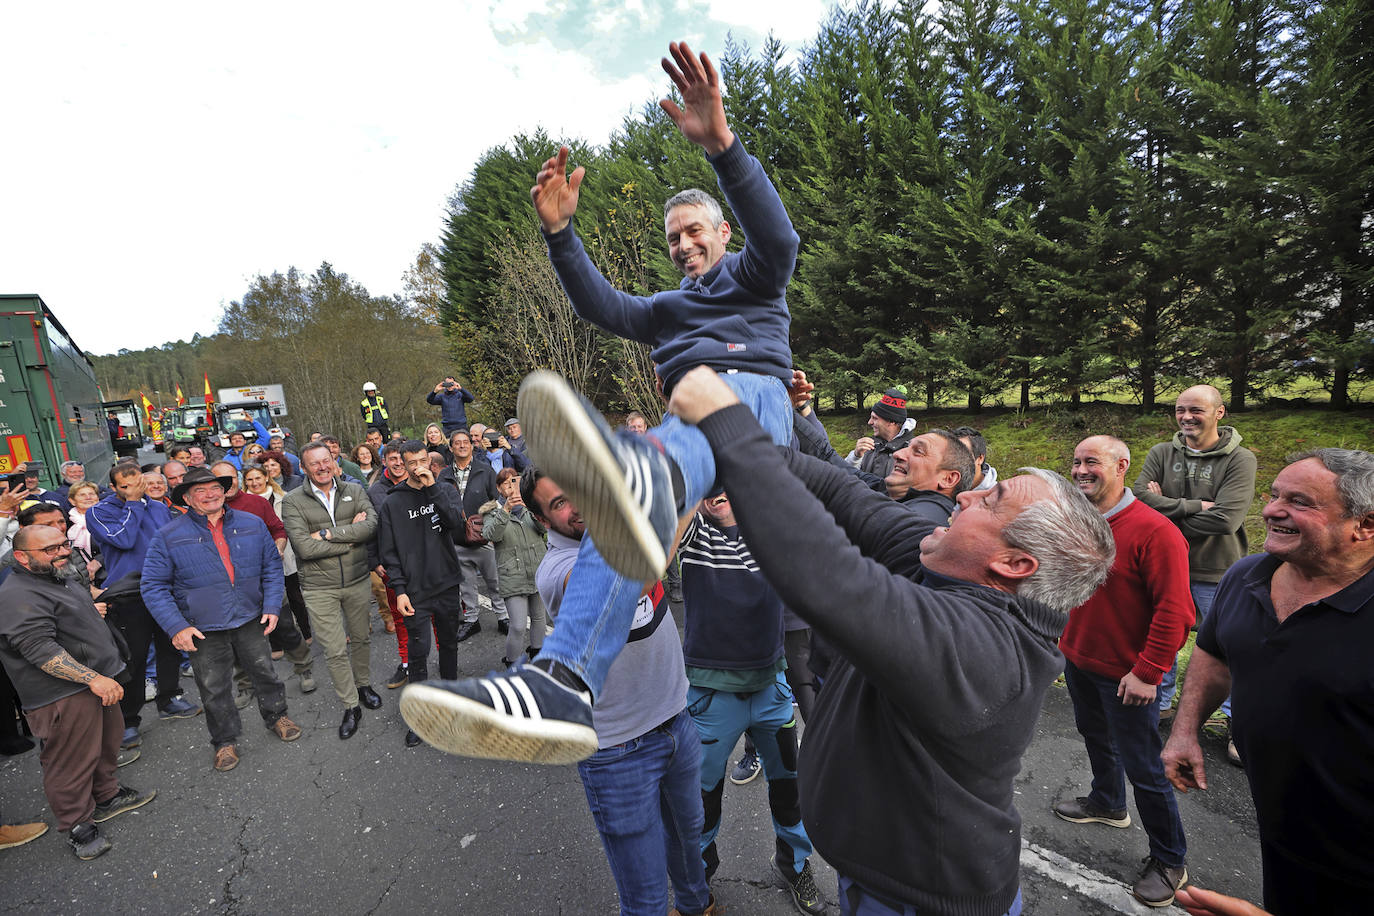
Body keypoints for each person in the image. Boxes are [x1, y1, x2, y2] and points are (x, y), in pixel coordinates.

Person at [406, 366, 1115, 916]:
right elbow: (850, 499)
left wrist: (729, 428)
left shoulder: (990, 653)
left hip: (926, 903)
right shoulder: (957, 566)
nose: (965, 496)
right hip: (877, 882)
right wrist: (732, 444)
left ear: (1016, 565)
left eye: (988, 502)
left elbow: (828, 577)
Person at [1161, 449, 1374, 916]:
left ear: (1366, 525)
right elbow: (1214, 654)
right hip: (1279, 822)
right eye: (1274, 495)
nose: (1272, 510)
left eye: (1299, 501)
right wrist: (1184, 730)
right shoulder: (1247, 575)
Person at [532, 467, 716, 916]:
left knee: (691, 844)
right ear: (543, 522)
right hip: (617, 750)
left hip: (676, 719)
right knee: (645, 894)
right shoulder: (557, 571)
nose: (576, 506)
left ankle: (697, 908)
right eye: (559, 503)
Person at [1052, 436, 1194, 907]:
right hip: (1080, 661)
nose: (1079, 470)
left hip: (1128, 676)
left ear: (1122, 466)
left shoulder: (1156, 532)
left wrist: (1149, 671)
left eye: (1091, 461)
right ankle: (1107, 803)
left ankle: (1170, 858)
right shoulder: (1080, 523)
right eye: (1075, 462)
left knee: (1147, 767)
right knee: (1095, 737)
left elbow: (1176, 612)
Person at [678, 490, 822, 913]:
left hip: (771, 693)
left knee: (788, 790)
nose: (717, 489)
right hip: (710, 699)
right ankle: (698, 880)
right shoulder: (693, 534)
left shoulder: (771, 532)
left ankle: (794, 864)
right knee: (699, 801)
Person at [0, 525, 156, 860]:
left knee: (105, 742)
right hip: (62, 694)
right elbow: (39, 648)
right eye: (50, 549)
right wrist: (91, 679)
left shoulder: (57, 575)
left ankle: (107, 795)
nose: (62, 552)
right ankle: (77, 825)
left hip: (97, 682)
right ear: (21, 557)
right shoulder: (17, 594)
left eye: (63, 544)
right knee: (68, 761)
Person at [141, 468, 303, 772]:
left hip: (250, 618)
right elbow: (152, 585)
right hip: (202, 629)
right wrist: (176, 626)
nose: (211, 494)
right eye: (201, 491)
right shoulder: (168, 536)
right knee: (213, 687)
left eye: (215, 487)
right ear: (187, 499)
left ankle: (276, 715)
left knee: (265, 672)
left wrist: (270, 604)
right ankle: (224, 741)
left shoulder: (251, 524)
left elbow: (271, 565)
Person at [1133, 384, 1257, 746]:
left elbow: (1226, 520)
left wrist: (1165, 509)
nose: (1186, 417)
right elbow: (1139, 498)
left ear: (1219, 413)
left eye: (1196, 410)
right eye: (1180, 409)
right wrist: (1192, 506)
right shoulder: (1161, 452)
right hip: (1166, 567)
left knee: (1228, 648)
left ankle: (1237, 722)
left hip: (1216, 570)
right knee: (1162, 638)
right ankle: (1161, 703)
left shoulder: (1240, 460)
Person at [87, 464, 201, 749]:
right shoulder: (99, 511)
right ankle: (128, 720)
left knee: (170, 646)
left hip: (164, 587)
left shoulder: (159, 507)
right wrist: (134, 503)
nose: (135, 489)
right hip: (127, 592)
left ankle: (169, 699)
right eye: (126, 487)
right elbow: (123, 540)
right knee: (133, 657)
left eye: (137, 483)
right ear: (113, 488)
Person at [280, 442, 379, 740]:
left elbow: (371, 526)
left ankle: (363, 685)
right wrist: (351, 538)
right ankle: (351, 705)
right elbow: (304, 548)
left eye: (326, 460)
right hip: (319, 588)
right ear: (304, 467)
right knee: (335, 650)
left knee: (361, 638)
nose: (322, 467)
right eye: (314, 463)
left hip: (358, 579)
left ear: (334, 461)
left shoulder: (355, 490)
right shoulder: (293, 501)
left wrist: (327, 534)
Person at [377, 440, 467, 748]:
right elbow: (388, 553)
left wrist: (433, 490)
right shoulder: (392, 503)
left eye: (422, 461)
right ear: (401, 464)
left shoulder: (443, 489)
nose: (418, 467)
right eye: (412, 462)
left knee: (450, 644)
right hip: (415, 591)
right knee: (418, 652)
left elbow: (456, 525)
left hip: (446, 582)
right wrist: (399, 590)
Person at [443, 429, 509, 641]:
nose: (462, 445)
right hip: (457, 540)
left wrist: (488, 525)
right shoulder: (443, 475)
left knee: (495, 581)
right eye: (457, 442)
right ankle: (472, 620)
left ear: (472, 446)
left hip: (483, 538)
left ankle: (503, 617)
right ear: (451, 447)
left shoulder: (485, 470)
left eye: (466, 442)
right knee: (467, 585)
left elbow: (497, 500)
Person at [480, 468, 548, 667]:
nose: (512, 488)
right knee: (518, 626)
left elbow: (544, 529)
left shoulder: (532, 506)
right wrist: (506, 509)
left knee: (539, 620)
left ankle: (538, 656)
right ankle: (513, 663)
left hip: (537, 570)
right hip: (513, 575)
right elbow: (491, 535)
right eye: (506, 484)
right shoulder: (491, 510)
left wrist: (531, 507)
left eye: (515, 482)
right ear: (499, 489)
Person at [845, 388, 914, 477]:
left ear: (891, 421)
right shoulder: (869, 445)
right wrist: (855, 457)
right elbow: (843, 477)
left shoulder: (912, 451)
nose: (869, 422)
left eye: (875, 418)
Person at [952, 426, 998, 492]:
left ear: (980, 459)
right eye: (951, 453)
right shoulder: (943, 489)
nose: (955, 459)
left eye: (963, 454)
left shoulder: (996, 496)